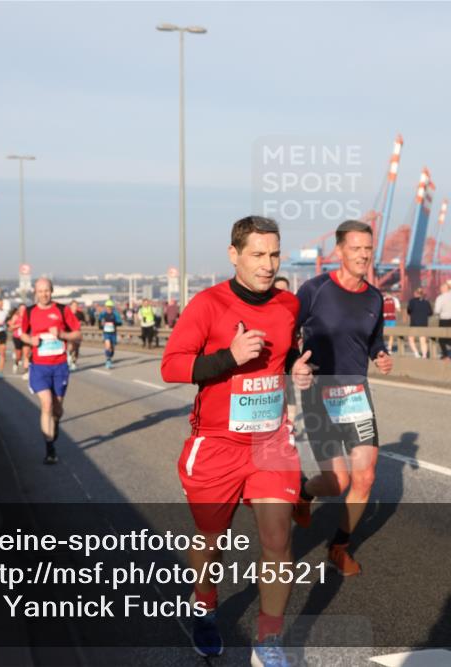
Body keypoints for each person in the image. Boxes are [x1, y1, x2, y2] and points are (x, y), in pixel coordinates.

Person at [160, 215, 313, 665]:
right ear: (235, 255)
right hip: (217, 444)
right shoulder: (207, 305)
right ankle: (204, 604)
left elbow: (284, 359)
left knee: (278, 538)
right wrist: (229, 357)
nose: (268, 265)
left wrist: (297, 372)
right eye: (257, 255)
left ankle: (268, 641)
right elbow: (171, 366)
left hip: (271, 442)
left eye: (274, 254)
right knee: (211, 538)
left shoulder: (288, 306)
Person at [293, 219, 393, 577]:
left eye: (368, 249)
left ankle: (339, 547)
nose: (364, 255)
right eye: (356, 248)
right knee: (337, 481)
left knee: (364, 477)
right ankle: (305, 494)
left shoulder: (374, 297)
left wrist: (380, 353)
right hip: (318, 392)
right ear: (339, 251)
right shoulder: (314, 290)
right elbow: (287, 331)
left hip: (355, 393)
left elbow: (374, 339)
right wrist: (293, 365)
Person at [19, 278, 83, 463]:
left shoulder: (62, 310)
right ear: (35, 293)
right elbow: (22, 333)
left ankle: (55, 422)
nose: (44, 294)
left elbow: (78, 334)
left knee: (57, 408)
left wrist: (62, 335)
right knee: (46, 404)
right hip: (39, 367)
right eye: (40, 291)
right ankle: (50, 448)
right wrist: (30, 341)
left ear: (52, 291)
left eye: (47, 290)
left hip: (60, 366)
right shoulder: (30, 312)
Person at [433, 281, 451, 360]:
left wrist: (437, 312)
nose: (440, 289)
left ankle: (446, 356)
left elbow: (437, 311)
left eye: (441, 288)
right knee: (448, 337)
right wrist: (450, 286)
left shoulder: (440, 298)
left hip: (444, 319)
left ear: (444, 289)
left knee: (441, 339)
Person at [406, 287, 433, 359]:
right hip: (424, 323)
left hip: (414, 323)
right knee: (423, 341)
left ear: (415, 293)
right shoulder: (426, 302)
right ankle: (424, 355)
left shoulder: (412, 301)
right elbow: (430, 313)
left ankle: (416, 353)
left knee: (411, 339)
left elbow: (409, 311)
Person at [97, 299, 123, 369]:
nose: (108, 308)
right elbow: (99, 319)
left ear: (112, 307)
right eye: (107, 307)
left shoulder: (115, 313)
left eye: (110, 307)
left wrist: (115, 322)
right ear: (105, 307)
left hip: (113, 333)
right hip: (106, 333)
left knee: (112, 348)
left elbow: (120, 322)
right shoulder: (103, 313)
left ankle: (110, 357)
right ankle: (108, 360)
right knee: (107, 346)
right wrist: (100, 326)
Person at [9, 303, 30, 377]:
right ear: (19, 309)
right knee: (18, 355)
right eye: (22, 309)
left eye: (24, 309)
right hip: (17, 337)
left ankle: (26, 371)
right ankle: (16, 363)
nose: (23, 310)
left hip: (26, 337)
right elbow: (11, 327)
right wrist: (19, 325)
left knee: (26, 355)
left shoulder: (28, 316)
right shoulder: (16, 316)